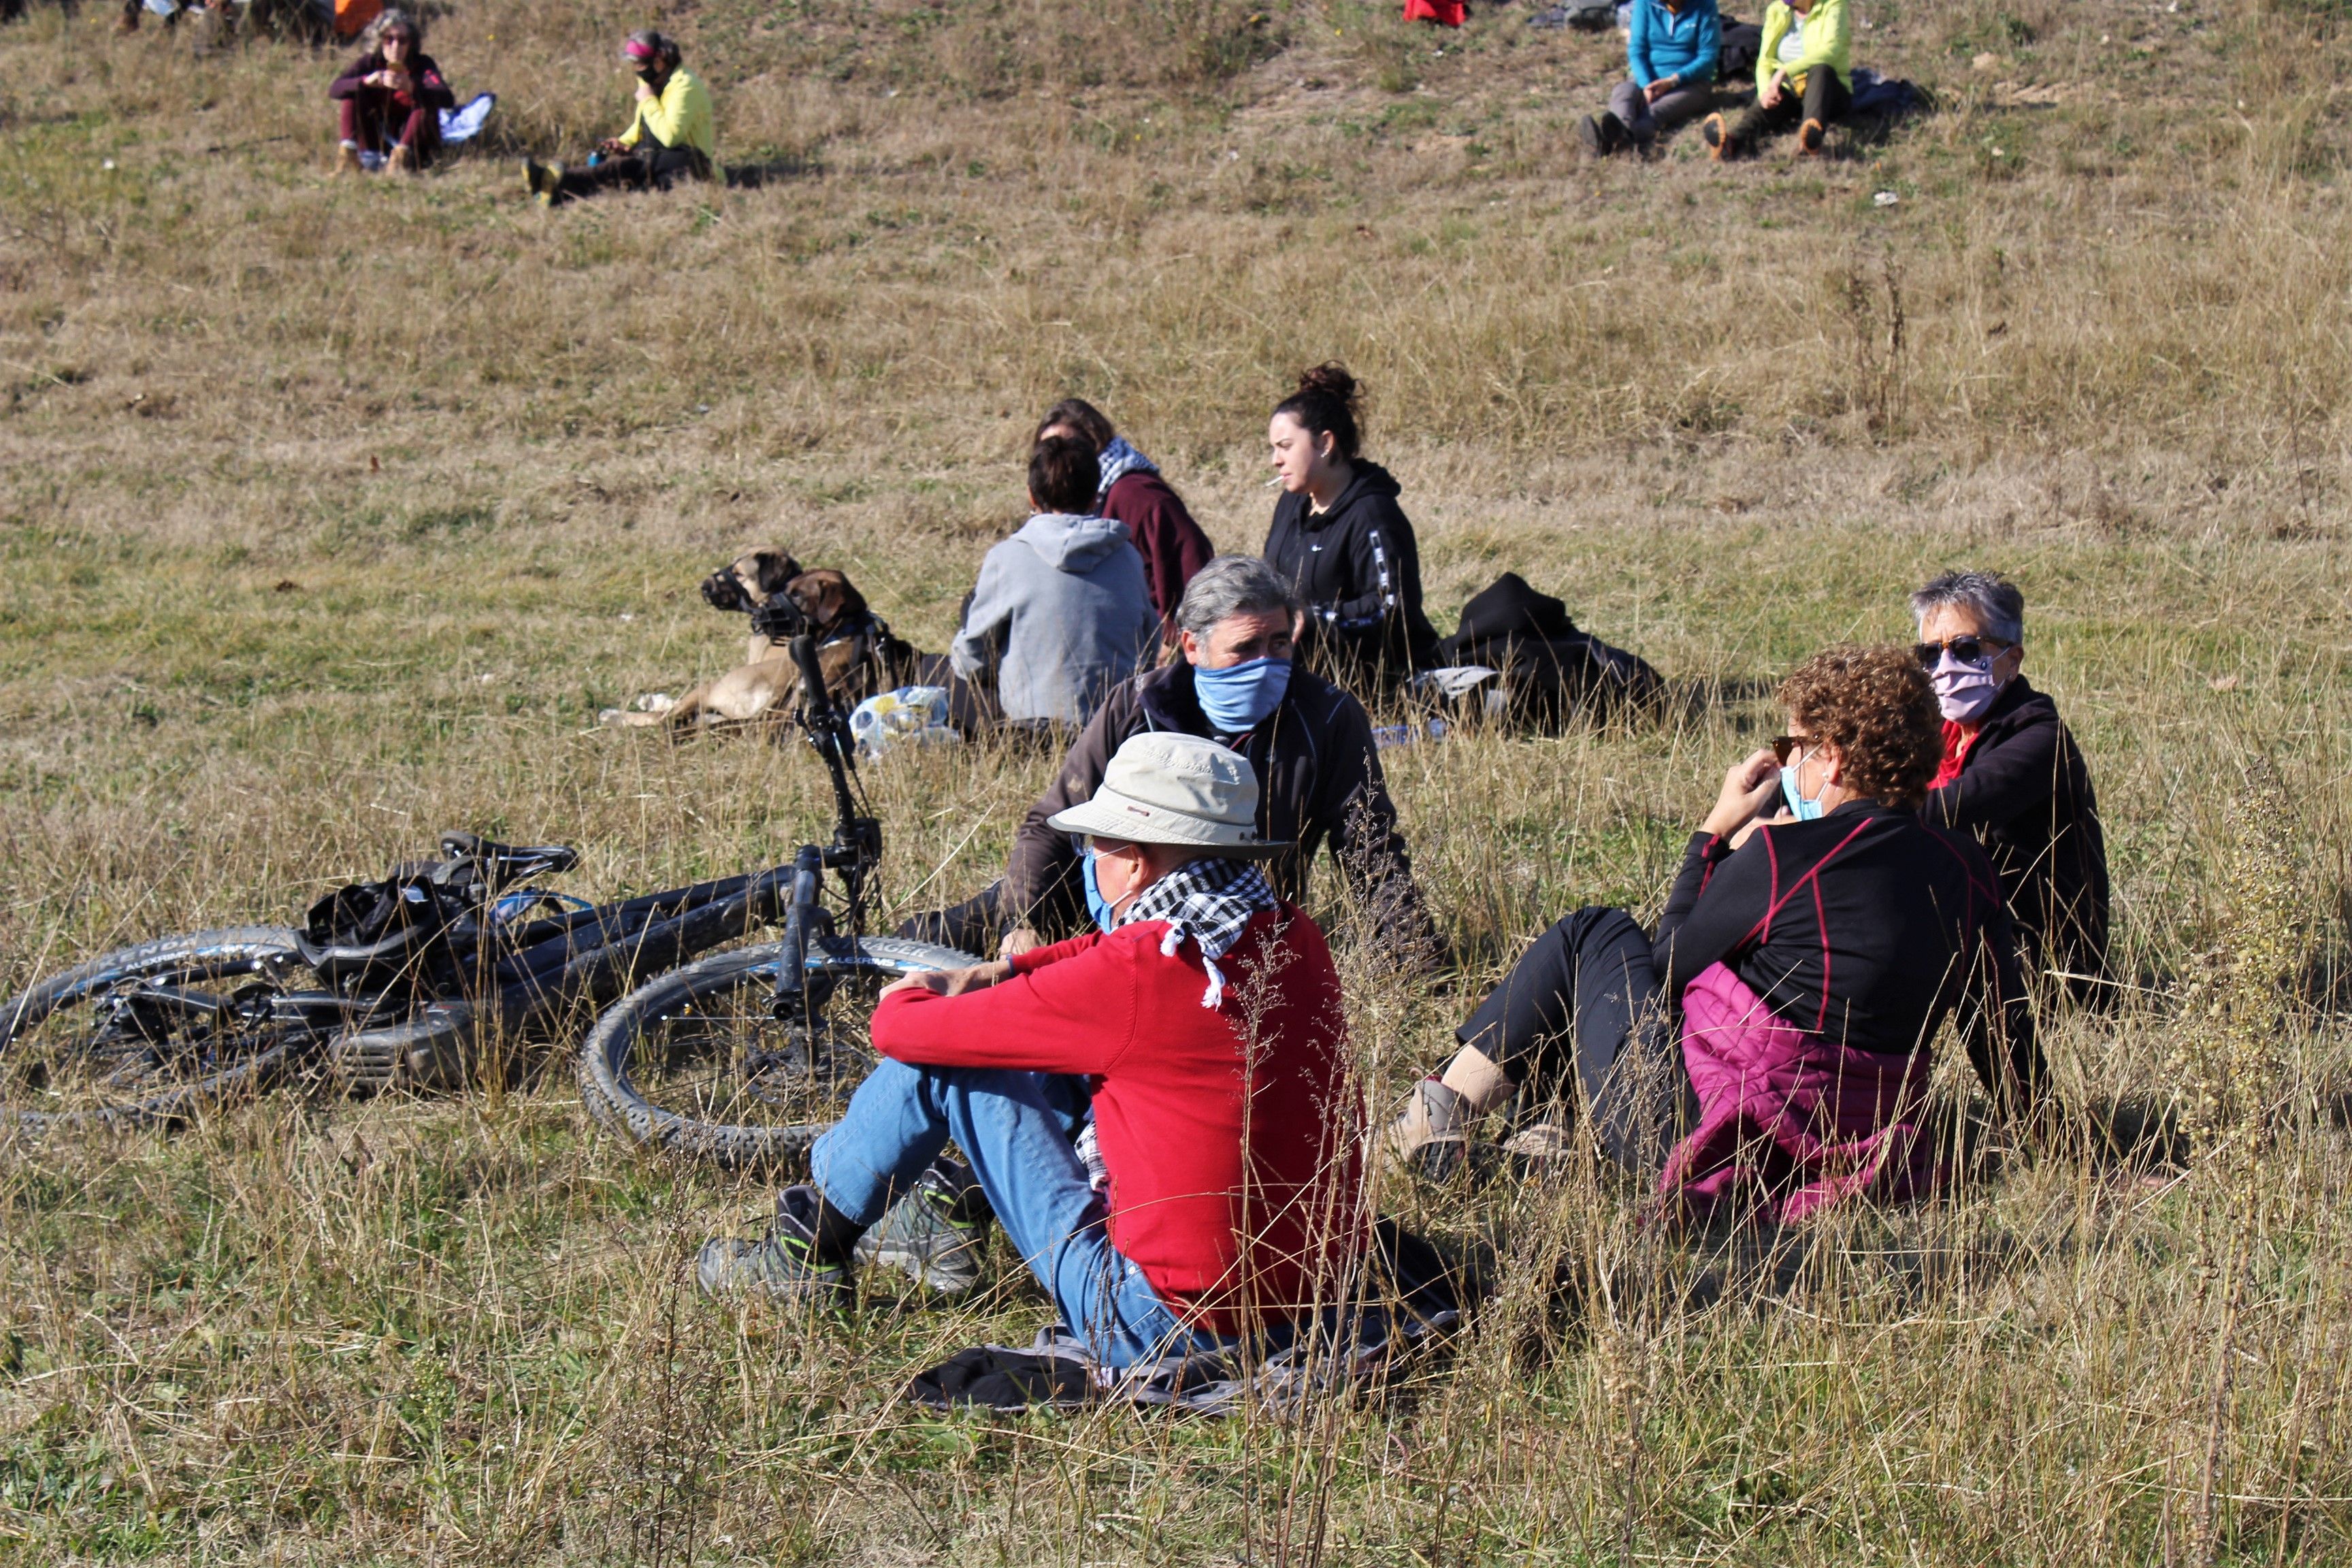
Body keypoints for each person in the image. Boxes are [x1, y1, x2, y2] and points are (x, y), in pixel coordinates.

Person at [699, 733, 1367, 1369]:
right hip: (1316, 1299)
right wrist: (1004, 973)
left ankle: (808, 1246)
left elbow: (902, 1034)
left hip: (1152, 1326)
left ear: (1132, 860)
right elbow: (1108, 962)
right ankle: (937, 1217)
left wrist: (918, 993)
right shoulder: (1288, 932)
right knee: (1059, 1067)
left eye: (1093, 844)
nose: (1088, 860)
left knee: (949, 1070)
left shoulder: (1141, 972)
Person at [1389, 644, 2046, 1221]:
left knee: (1594, 932)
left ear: (1833, 760)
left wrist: (1713, 835)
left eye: (1792, 749)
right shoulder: (1969, 870)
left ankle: (1433, 1119)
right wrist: (2060, 1146)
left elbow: (1664, 969)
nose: (1787, 766)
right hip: (1848, 1139)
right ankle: (1549, 1135)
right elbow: (2003, 1034)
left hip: (1701, 1130)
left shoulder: (1785, 856)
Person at [906, 555, 1446, 969]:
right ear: (1192, 646)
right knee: (929, 946)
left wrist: (1414, 958)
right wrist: (1025, 921)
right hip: (1095, 904)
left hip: (1228, 930)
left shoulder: (1326, 717)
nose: (1266, 664)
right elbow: (1049, 824)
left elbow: (1371, 849)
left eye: (1279, 644)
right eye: (1246, 647)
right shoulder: (1136, 704)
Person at [1911, 571, 2110, 1000]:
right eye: (1930, 654)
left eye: (1966, 649)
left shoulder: (2040, 738)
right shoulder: (1932, 734)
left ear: (2013, 659)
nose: (1945, 668)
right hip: (1965, 941)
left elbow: (1948, 809)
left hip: (2043, 978)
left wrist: (1840, 812)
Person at [950, 434, 1158, 728]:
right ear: (1096, 497)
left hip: (1029, 730)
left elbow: (971, 660)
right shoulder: (1128, 556)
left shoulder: (1007, 557)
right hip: (1111, 727)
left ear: (1032, 496)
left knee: (939, 674)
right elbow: (1149, 649)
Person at [1262, 364, 1439, 696]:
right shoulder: (1291, 505)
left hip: (1375, 684)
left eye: (1285, 446)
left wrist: (1313, 617)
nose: (1276, 460)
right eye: (1273, 448)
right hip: (1294, 674)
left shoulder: (1372, 513)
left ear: (1325, 443)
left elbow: (1393, 609)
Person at [1033, 399, 1215, 639]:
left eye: (1067, 446)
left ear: (1095, 444)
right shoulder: (1064, 506)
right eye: (1050, 449)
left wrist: (1174, 636)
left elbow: (1189, 553)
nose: (1059, 458)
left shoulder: (1134, 494)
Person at [522, 31, 715, 206]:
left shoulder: (686, 86)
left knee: (629, 168)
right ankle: (555, 187)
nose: (636, 70)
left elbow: (670, 137)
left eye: (639, 64)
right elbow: (646, 123)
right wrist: (625, 141)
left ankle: (556, 184)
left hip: (690, 162)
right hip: (658, 155)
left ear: (659, 60)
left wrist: (647, 100)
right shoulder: (654, 81)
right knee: (623, 168)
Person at [1701, 0, 1848, 160]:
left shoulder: (1834, 5)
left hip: (1827, 91)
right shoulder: (1776, 10)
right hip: (1791, 89)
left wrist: (1785, 71)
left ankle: (1811, 138)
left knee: (1820, 69)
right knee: (1762, 108)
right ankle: (1731, 142)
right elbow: (1765, 61)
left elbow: (1831, 50)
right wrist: (1766, 91)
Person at [1580, 0, 1721, 158]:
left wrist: (1673, 81)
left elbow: (1708, 57)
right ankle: (1619, 135)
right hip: (1647, 77)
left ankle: (1612, 143)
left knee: (1653, 113)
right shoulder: (1645, 4)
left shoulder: (1705, 6)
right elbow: (1637, 49)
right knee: (1623, 93)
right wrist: (1646, 84)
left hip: (1690, 83)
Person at [327, 10, 453, 174]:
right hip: (377, 140)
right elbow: (335, 89)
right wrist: (365, 82)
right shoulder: (370, 62)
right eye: (389, 39)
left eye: (402, 40)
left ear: (411, 44)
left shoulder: (422, 65)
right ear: (380, 41)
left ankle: (401, 159)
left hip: (414, 144)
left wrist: (413, 88)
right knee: (352, 93)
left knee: (426, 100)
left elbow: (446, 98)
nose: (395, 47)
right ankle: (348, 157)